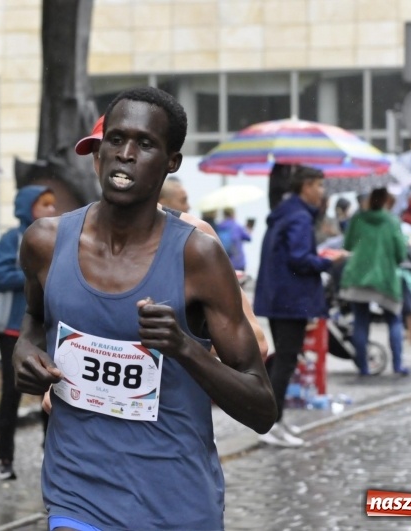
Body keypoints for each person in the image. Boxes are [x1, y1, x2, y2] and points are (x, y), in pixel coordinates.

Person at [14, 87, 276, 531]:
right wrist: (25, 354)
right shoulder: (44, 241)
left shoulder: (199, 258)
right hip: (78, 494)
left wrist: (184, 348)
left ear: (172, 161)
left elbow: (262, 409)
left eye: (145, 144)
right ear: (98, 151)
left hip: (176, 502)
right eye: (115, 140)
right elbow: (35, 321)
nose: (126, 154)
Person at [75, 114, 269, 362]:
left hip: (172, 400)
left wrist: (180, 343)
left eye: (142, 146)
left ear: (167, 161)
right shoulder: (70, 237)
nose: (120, 157)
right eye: (104, 148)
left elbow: (257, 344)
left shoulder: (194, 237)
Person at [253, 166, 348, 447]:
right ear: (305, 186)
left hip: (280, 297)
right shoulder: (298, 216)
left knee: (284, 359)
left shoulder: (288, 212)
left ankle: (274, 420)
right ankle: (270, 422)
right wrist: (329, 261)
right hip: (290, 299)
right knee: (286, 360)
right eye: (319, 185)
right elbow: (299, 258)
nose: (322, 191)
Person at [0, 185, 57, 481]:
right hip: (12, 330)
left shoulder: (55, 237)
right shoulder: (12, 239)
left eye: (52, 205)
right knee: (12, 394)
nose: (51, 211)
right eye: (44, 204)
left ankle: (51, 453)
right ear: (27, 208)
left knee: (51, 390)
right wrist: (34, 272)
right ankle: (5, 458)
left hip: (46, 328)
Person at [339, 187, 409, 376]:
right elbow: (400, 253)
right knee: (394, 320)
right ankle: (397, 365)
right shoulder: (392, 221)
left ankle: (363, 367)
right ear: (386, 200)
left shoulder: (357, 218)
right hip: (385, 278)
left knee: (361, 322)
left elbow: (347, 244)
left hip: (358, 276)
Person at [215, 207, 252, 272]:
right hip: (238, 262)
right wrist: (249, 229)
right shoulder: (237, 226)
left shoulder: (219, 226)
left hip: (224, 263)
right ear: (232, 214)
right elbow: (248, 238)